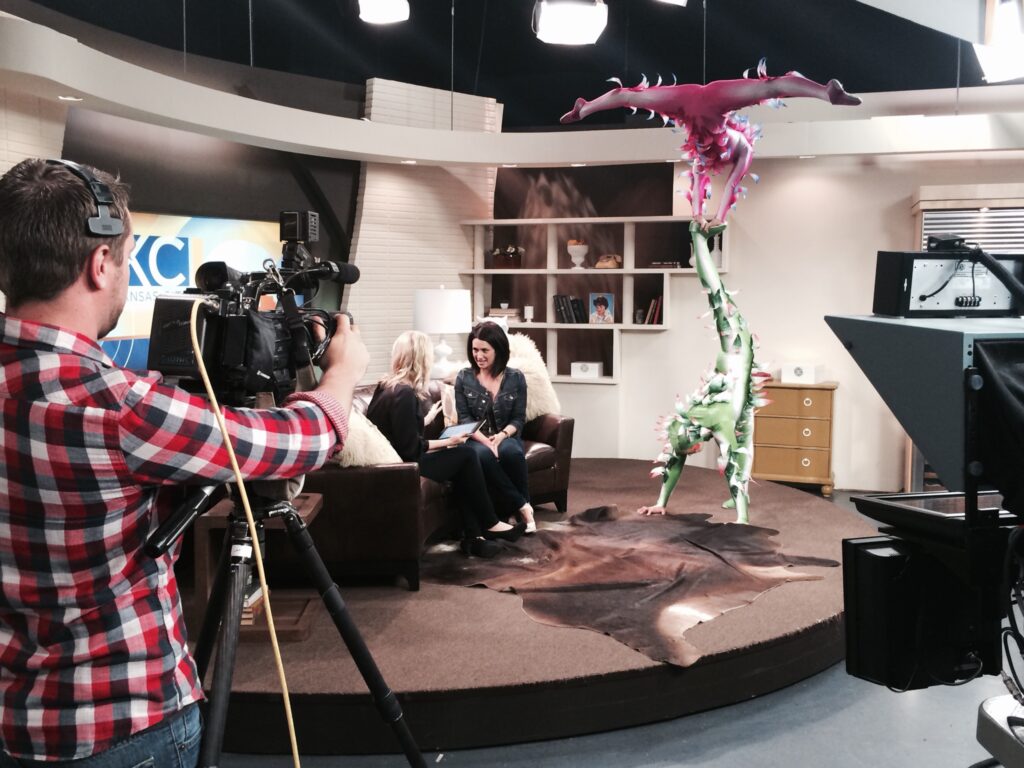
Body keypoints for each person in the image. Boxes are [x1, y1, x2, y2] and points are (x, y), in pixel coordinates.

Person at [0, 158, 369, 767]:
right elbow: (304, 439)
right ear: (100, 263)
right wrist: (342, 373)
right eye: (125, 259)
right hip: (125, 726)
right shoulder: (117, 407)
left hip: (17, 724)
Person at [560, 62, 861, 227]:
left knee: (630, 96)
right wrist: (718, 217)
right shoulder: (744, 148)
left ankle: (583, 109)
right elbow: (730, 185)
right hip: (715, 101)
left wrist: (704, 217)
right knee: (771, 86)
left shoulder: (702, 155)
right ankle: (826, 94)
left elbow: (701, 184)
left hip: (685, 104)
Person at [366, 331, 525, 557]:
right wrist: (449, 441)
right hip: (402, 466)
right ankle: (490, 523)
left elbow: (396, 432)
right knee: (466, 455)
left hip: (392, 460)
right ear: (422, 358)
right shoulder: (405, 394)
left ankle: (474, 538)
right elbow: (411, 449)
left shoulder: (386, 386)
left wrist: (424, 420)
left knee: (462, 465)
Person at [454, 321, 536, 533]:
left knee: (512, 453)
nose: (478, 355)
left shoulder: (516, 378)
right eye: (475, 350)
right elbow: (465, 419)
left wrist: (501, 436)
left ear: (498, 350)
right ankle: (523, 506)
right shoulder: (464, 378)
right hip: (475, 437)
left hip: (505, 435)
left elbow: (518, 418)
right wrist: (486, 442)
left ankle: (514, 510)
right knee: (482, 454)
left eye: (484, 350)